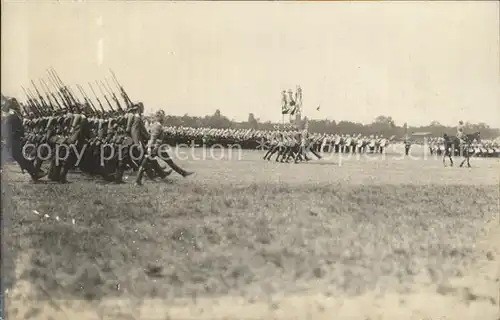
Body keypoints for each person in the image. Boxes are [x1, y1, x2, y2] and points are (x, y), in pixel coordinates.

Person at [1, 98, 46, 181]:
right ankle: (34, 172)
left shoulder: (12, 115)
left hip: (13, 139)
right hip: (12, 139)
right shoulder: (14, 115)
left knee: (19, 157)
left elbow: (17, 129)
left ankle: (35, 172)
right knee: (18, 157)